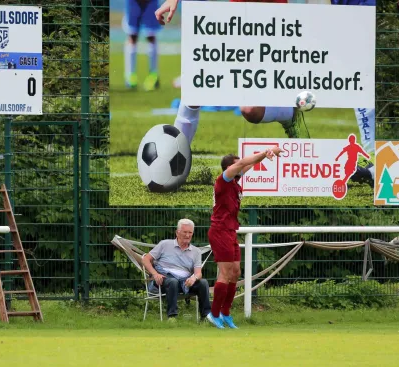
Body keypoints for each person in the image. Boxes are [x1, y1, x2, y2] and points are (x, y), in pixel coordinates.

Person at [155, 0, 306, 142]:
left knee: (250, 110)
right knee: (197, 83)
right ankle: (177, 155)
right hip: (236, 24)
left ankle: (290, 114)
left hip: (273, 28)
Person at [206, 146, 283, 329]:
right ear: (228, 168)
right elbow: (242, 163)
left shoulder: (235, 182)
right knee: (225, 274)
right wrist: (266, 151)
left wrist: (267, 155)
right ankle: (214, 314)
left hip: (230, 231)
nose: (240, 168)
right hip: (219, 230)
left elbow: (249, 164)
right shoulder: (223, 180)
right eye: (236, 166)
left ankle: (225, 313)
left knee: (235, 273)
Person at [142, 218, 212, 322]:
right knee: (172, 281)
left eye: (190, 233)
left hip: (184, 284)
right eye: (184, 232)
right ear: (177, 232)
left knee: (203, 282)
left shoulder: (196, 252)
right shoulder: (164, 244)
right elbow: (146, 259)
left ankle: (206, 316)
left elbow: (198, 273)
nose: (187, 235)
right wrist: (155, 274)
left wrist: (194, 278)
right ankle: (172, 317)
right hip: (164, 281)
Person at [123, 0, 161, 90]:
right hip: (134, 2)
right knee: (132, 35)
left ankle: (153, 75)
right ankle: (130, 76)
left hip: (150, 2)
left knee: (151, 35)